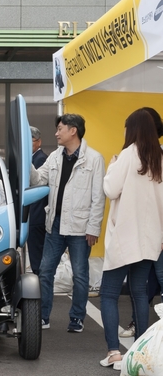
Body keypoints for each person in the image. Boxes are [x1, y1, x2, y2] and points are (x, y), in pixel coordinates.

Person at [98, 109, 163, 370]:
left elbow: (111, 189)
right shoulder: (159, 158)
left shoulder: (127, 154)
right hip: (150, 240)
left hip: (124, 238)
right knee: (138, 294)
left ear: (132, 129)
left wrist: (112, 166)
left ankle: (114, 353)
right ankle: (138, 351)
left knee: (109, 294)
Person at [30, 113, 105, 333]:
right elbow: (37, 179)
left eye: (60, 128)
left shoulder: (94, 159)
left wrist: (93, 228)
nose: (56, 133)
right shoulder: (54, 156)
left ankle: (77, 317)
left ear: (73, 130)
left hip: (81, 227)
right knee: (45, 271)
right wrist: (26, 158)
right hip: (55, 223)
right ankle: (43, 316)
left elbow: (98, 197)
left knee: (80, 274)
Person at [119, 107, 163, 339]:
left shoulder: (147, 155)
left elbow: (111, 188)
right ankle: (140, 327)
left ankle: (141, 328)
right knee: (144, 286)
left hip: (154, 233)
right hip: (152, 233)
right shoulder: (148, 155)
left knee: (150, 282)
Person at [27, 126, 48, 275]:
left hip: (37, 214)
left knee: (37, 254)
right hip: (32, 214)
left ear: (39, 142)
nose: (28, 144)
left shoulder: (40, 159)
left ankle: (39, 286)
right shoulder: (31, 158)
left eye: (31, 140)